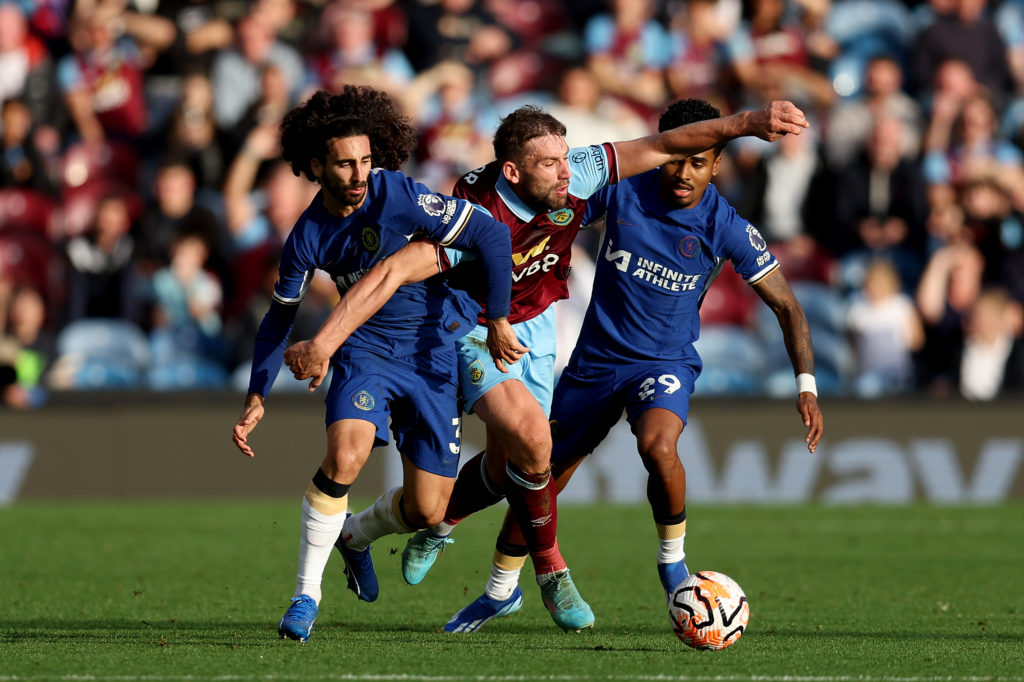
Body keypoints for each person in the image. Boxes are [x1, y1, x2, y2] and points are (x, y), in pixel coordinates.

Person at [284, 97, 809, 632]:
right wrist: (327, 340)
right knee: (535, 443)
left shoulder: (580, 178)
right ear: (513, 170)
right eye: (550, 163)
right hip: (474, 324)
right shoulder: (478, 209)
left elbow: (663, 147)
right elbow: (396, 269)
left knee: (509, 467)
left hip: (538, 324)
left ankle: (389, 539)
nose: (567, 172)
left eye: (566, 159)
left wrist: (749, 123)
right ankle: (550, 572)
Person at [448, 97, 824, 629]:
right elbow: (554, 216)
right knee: (540, 476)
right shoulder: (622, 192)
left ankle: (672, 560)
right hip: (596, 362)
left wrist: (805, 385)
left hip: (663, 361)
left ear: (717, 163)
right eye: (676, 157)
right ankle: (499, 589)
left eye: (700, 161)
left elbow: (788, 306)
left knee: (658, 444)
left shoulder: (726, 226)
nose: (683, 172)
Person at [230, 85, 518, 644]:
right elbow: (277, 321)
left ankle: (354, 535)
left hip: (433, 349)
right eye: (346, 163)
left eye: (366, 160)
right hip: (364, 351)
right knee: (346, 454)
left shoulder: (400, 196)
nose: (361, 173)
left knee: (430, 510)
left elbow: (491, 234)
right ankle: (305, 595)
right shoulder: (307, 235)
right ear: (316, 166)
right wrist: (256, 394)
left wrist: (500, 319)